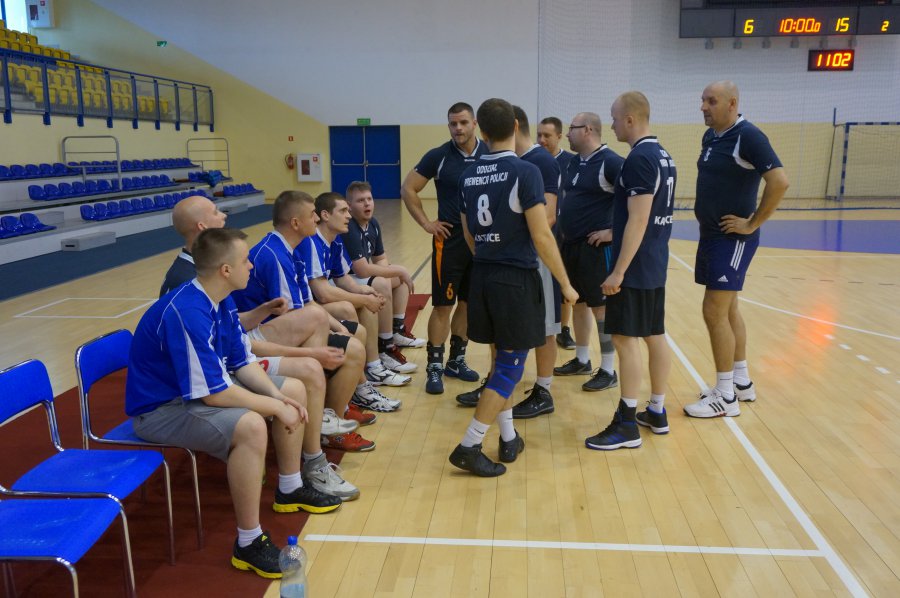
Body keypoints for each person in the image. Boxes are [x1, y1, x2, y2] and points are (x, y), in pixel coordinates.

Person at [126, 228, 341, 579]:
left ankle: (289, 488)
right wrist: (273, 408)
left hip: (195, 394)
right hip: (161, 410)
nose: (251, 266)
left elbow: (242, 362)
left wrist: (278, 397)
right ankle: (248, 542)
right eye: (245, 261)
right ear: (225, 270)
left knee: (294, 389)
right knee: (252, 426)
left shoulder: (221, 298)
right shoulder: (188, 311)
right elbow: (213, 394)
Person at [160, 195, 363, 498]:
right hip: (190, 389)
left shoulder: (215, 281)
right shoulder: (189, 286)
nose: (224, 215)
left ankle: (308, 464)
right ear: (202, 227)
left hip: (227, 363)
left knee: (308, 368)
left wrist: (304, 354)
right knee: (266, 412)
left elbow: (235, 340)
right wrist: (276, 403)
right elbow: (210, 381)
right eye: (216, 212)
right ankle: (295, 470)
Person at [448, 97, 577, 477]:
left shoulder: (468, 175)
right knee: (509, 370)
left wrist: (490, 255)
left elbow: (469, 234)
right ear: (516, 127)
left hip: (483, 276)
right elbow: (542, 235)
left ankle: (508, 437)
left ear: (482, 131)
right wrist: (566, 284)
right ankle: (469, 445)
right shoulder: (526, 171)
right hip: (515, 282)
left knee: (498, 361)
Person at [231, 190, 385, 453]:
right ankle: (323, 417)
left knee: (352, 336)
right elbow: (294, 314)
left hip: (280, 328)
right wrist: (316, 351)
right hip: (257, 337)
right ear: (295, 222)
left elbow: (306, 303)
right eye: (312, 214)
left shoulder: (290, 250)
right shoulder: (274, 255)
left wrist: (340, 330)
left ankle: (335, 411)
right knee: (349, 348)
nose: (316, 218)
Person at [683, 81, 789, 418]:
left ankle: (725, 396)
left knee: (713, 311)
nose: (703, 106)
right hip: (711, 235)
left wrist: (752, 223)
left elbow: (779, 182)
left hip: (732, 240)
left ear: (732, 103)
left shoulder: (749, 136)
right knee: (728, 310)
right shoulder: (712, 136)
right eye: (702, 100)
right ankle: (741, 382)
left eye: (711, 101)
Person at [456, 106, 562, 418]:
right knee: (501, 337)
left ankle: (543, 389)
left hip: (530, 258)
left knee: (545, 326)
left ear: (483, 131)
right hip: (503, 264)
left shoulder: (540, 162)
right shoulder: (496, 166)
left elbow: (548, 219)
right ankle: (497, 390)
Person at [585, 91, 675, 450]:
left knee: (624, 339)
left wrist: (618, 271)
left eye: (614, 118)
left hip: (635, 265)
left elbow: (638, 219)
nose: (611, 125)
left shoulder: (639, 158)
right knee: (655, 334)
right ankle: (657, 411)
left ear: (630, 119)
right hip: (654, 259)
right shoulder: (663, 155)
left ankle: (626, 424)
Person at [401, 102, 486, 394]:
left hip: (482, 243)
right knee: (443, 306)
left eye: (463, 122)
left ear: (474, 123)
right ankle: (434, 367)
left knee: (468, 304)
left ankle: (456, 360)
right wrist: (427, 223)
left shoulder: (490, 153)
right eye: (453, 123)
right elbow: (408, 188)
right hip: (449, 241)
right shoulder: (438, 156)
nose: (458, 128)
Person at [297, 192, 412, 390]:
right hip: (303, 306)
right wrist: (363, 299)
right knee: (349, 307)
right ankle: (362, 376)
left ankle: (374, 365)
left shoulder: (335, 241)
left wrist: (363, 291)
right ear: (325, 215)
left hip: (314, 302)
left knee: (367, 293)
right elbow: (323, 293)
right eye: (343, 211)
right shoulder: (311, 241)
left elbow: (342, 278)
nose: (349, 216)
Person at [554, 112, 623, 393]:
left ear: (588, 130)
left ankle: (608, 369)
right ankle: (582, 359)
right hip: (571, 246)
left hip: (597, 249)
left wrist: (613, 232)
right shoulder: (573, 163)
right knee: (578, 303)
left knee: (601, 308)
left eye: (572, 128)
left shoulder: (612, 162)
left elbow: (639, 200)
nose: (567, 133)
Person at [342, 180, 425, 376]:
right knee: (383, 280)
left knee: (396, 278)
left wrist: (394, 272)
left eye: (369, 199)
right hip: (344, 279)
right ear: (349, 206)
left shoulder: (373, 224)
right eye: (360, 200)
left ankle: (397, 330)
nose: (367, 204)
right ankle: (385, 346)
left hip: (358, 277)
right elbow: (362, 270)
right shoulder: (349, 227)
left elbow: (380, 259)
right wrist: (395, 272)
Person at [537, 116, 577, 350]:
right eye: (539, 135)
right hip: (541, 230)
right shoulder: (531, 160)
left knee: (564, 283)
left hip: (565, 231)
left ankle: (563, 329)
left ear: (559, 136)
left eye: (547, 136)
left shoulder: (571, 162)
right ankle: (541, 327)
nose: (542, 139)